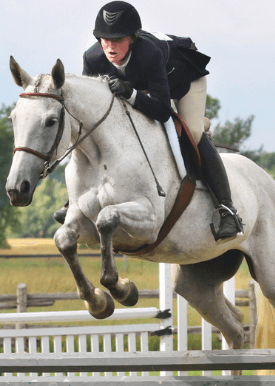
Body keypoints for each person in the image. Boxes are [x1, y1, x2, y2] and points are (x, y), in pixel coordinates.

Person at [53, 0, 242, 241]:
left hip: (182, 79)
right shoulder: (93, 58)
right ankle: (74, 200)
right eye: (105, 39)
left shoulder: (149, 53)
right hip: (143, 85)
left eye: (118, 40)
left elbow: (163, 111)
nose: (110, 47)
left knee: (192, 132)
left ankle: (227, 209)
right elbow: (93, 117)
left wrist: (130, 93)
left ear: (132, 38)